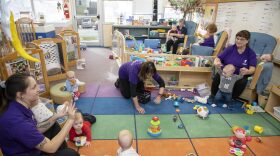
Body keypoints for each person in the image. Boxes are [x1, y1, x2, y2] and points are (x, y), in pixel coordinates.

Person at [0, 73, 79, 156]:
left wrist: (56, 116)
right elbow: (51, 148)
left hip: (29, 147)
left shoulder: (18, 106)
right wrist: (70, 120)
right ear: (20, 95)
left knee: (53, 125)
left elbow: (34, 129)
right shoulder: (16, 121)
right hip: (29, 152)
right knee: (71, 154)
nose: (39, 89)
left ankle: (61, 152)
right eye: (34, 87)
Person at [210, 30, 257, 102]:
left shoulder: (251, 53)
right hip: (225, 73)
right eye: (237, 38)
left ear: (247, 41)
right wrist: (217, 61)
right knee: (217, 76)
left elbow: (253, 68)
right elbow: (218, 58)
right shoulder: (230, 49)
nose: (238, 41)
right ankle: (213, 95)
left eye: (242, 39)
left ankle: (232, 98)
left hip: (238, 75)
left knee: (243, 81)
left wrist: (248, 71)